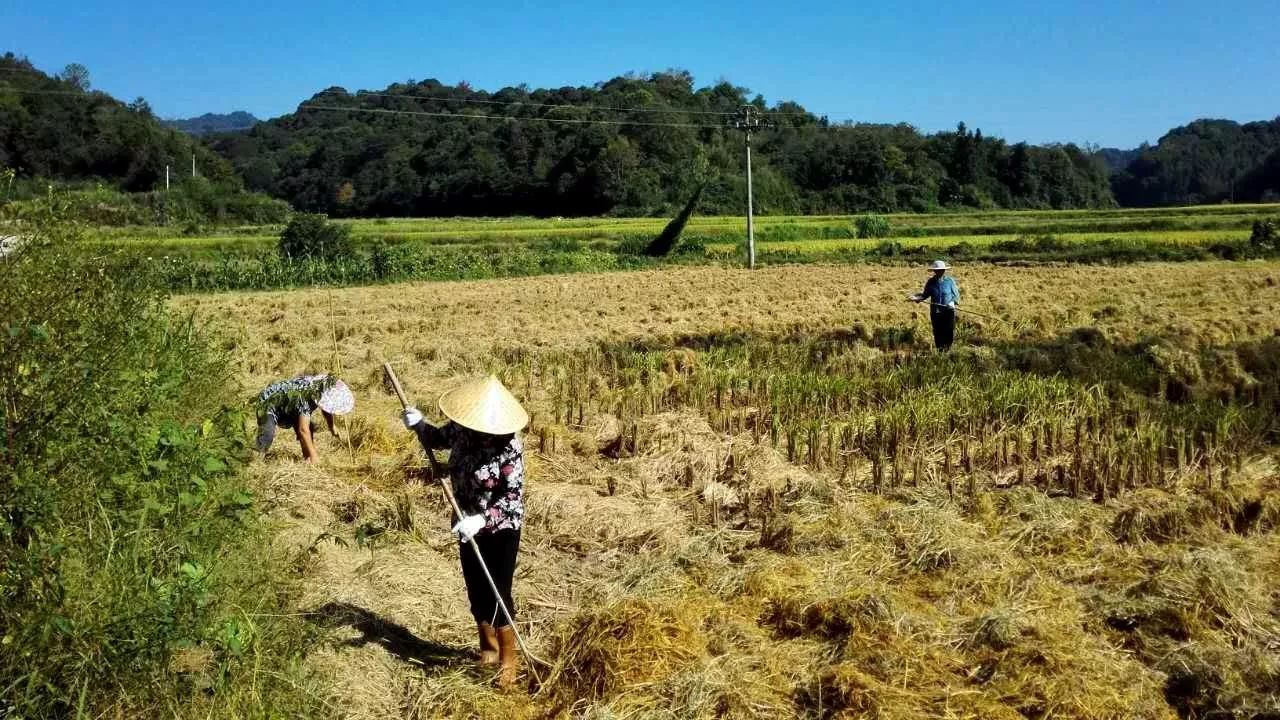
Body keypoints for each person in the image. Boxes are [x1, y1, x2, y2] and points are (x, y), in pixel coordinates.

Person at [400, 375, 529, 688]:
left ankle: (509, 659)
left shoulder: (508, 446)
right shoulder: (461, 429)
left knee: (498, 592)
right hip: (465, 521)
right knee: (476, 590)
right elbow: (437, 439)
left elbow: (511, 498)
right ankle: (488, 648)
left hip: (501, 527)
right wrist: (419, 425)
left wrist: (482, 520)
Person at [254, 374, 354, 462]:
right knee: (267, 433)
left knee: (309, 427)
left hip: (291, 404)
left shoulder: (319, 387)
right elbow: (303, 430)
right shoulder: (305, 400)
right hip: (269, 402)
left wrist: (331, 426)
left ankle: (308, 458)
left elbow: (326, 408)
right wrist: (315, 456)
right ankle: (255, 459)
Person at [910, 259, 961, 351]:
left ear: (944, 270)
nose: (939, 272)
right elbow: (925, 295)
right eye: (937, 270)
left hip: (948, 311)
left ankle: (948, 350)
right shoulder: (931, 282)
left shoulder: (950, 281)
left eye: (941, 270)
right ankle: (940, 351)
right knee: (938, 332)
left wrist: (952, 302)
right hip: (935, 312)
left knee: (948, 331)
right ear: (934, 271)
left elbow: (956, 295)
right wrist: (917, 298)